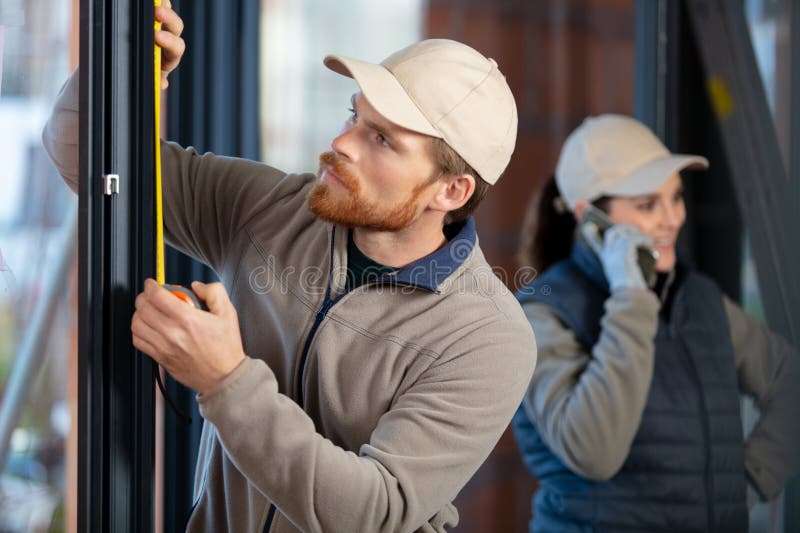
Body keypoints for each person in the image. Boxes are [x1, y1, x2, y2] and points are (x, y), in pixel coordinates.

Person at [42, 5, 538, 532]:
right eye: (355, 115)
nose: (342, 143)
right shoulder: (273, 208)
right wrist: (130, 74)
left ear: (451, 190)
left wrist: (226, 381)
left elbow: (372, 513)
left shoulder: (487, 337)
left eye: (383, 139)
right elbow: (81, 158)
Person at [511, 114, 798, 532]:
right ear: (590, 220)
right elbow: (594, 451)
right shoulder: (543, 314)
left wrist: (750, 479)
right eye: (647, 204)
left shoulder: (699, 300)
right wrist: (631, 298)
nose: (672, 219)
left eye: (676, 197)